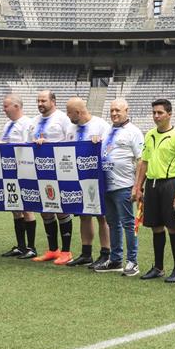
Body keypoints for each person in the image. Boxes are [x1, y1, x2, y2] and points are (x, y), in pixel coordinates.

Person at [134, 99, 175, 283]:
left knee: (172, 227)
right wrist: (138, 186)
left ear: (169, 114)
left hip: (170, 184)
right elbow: (144, 163)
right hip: (152, 185)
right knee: (155, 227)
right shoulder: (149, 135)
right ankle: (158, 267)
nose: (156, 116)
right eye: (154, 113)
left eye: (160, 113)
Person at [92, 99, 143, 274]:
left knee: (128, 223)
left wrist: (137, 186)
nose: (114, 113)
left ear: (126, 110)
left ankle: (132, 261)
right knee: (112, 223)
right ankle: (115, 260)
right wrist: (95, 140)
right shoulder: (107, 130)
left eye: (118, 110)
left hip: (124, 185)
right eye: (112, 110)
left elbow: (141, 160)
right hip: (107, 185)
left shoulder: (134, 132)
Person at [28, 90, 74, 265]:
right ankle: (53, 249)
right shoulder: (33, 121)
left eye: (43, 100)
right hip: (39, 172)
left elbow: (71, 142)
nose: (40, 103)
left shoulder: (63, 119)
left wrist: (51, 145)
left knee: (61, 209)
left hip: (59, 172)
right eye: (38, 100)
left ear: (53, 101)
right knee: (45, 210)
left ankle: (66, 251)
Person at [64, 96, 110, 267]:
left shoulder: (101, 125)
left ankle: (106, 253)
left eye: (69, 112)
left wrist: (100, 144)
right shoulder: (70, 128)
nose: (67, 115)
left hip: (97, 178)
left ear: (78, 111)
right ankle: (86, 253)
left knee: (102, 216)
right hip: (78, 178)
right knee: (84, 215)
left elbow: (109, 149)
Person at [0, 94, 37, 259]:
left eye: (6, 106)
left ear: (16, 106)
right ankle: (21, 246)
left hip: (24, 170)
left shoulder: (28, 123)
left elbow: (28, 145)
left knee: (27, 208)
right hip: (9, 170)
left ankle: (31, 247)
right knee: (15, 208)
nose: (3, 109)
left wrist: (4, 145)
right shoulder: (8, 124)